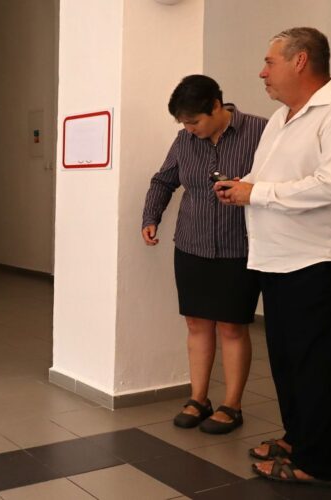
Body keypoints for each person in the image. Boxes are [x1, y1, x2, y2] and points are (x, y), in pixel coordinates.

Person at [216, 27, 331, 486]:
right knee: (288, 361)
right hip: (279, 258)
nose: (262, 72)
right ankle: (298, 438)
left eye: (270, 62)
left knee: (318, 366)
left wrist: (255, 193)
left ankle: (318, 463)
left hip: (324, 260)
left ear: (300, 60)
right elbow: (267, 176)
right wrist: (241, 185)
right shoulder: (281, 117)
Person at [141, 75, 265, 434]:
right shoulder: (185, 140)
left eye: (194, 121)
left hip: (239, 247)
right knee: (196, 323)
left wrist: (247, 188)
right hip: (191, 244)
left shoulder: (260, 131)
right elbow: (163, 180)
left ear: (215, 106)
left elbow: (279, 181)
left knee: (231, 326)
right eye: (183, 123)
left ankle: (232, 405)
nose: (188, 129)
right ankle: (199, 398)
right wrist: (151, 217)